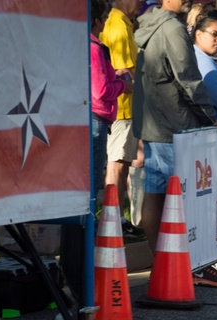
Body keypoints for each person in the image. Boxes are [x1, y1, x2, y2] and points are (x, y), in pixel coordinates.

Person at [133, 0, 217, 288]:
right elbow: (187, 79)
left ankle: (164, 265)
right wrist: (209, 117)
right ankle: (183, 268)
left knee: (155, 195)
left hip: (153, 123)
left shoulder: (149, 25)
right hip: (174, 125)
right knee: (180, 199)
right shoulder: (173, 28)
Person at [100, 0, 144, 230]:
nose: (141, 3)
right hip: (122, 108)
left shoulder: (122, 22)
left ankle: (116, 217)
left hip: (124, 107)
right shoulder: (117, 24)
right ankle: (112, 220)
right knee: (117, 164)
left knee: (122, 164)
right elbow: (124, 72)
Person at [90, 0, 133, 213]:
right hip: (97, 118)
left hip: (96, 117)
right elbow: (101, 91)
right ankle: (91, 229)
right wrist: (122, 85)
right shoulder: (95, 47)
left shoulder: (87, 45)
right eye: (104, 20)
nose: (105, 25)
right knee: (93, 179)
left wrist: (112, 75)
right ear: (97, 21)